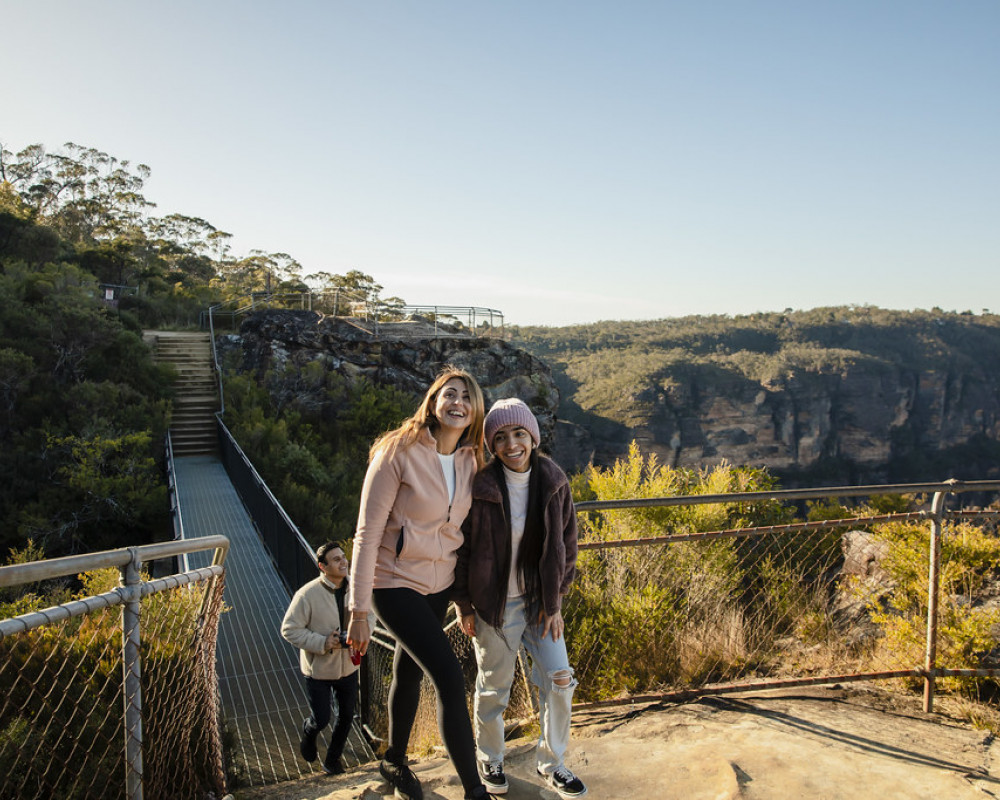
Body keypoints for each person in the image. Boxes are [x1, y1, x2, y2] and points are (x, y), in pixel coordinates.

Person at [346, 366, 490, 800]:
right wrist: (357, 611)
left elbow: (462, 537)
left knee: (408, 671)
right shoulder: (398, 451)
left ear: (475, 409)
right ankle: (474, 792)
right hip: (393, 583)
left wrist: (463, 601)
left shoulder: (469, 460)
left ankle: (394, 758)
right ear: (433, 401)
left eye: (467, 396)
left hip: (439, 583)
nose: (458, 403)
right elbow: (367, 534)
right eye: (450, 394)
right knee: (448, 675)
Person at [454, 398, 588, 799]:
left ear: (532, 436)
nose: (512, 444)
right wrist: (463, 605)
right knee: (496, 686)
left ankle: (553, 763)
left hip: (540, 604)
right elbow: (460, 551)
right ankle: (490, 756)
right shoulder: (481, 486)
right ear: (491, 445)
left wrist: (556, 602)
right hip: (494, 606)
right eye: (501, 437)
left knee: (560, 679)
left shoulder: (553, 480)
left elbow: (567, 543)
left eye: (519, 434)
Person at [281, 542, 359, 776]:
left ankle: (332, 760)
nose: (343, 561)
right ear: (322, 566)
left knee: (346, 716)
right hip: (318, 670)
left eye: (343, 557)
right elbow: (289, 629)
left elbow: (370, 615)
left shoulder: (356, 587)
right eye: (336, 559)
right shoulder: (307, 594)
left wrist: (358, 634)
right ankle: (309, 732)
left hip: (349, 666)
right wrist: (322, 643)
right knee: (322, 719)